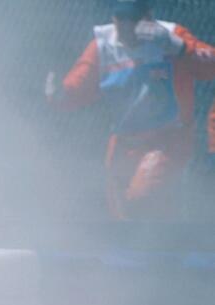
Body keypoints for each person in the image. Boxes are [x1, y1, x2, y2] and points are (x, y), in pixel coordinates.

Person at [46, 0, 215, 220]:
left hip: (168, 139)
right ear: (114, 19)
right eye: (121, 20)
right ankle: (158, 243)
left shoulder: (171, 36)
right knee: (120, 211)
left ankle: (168, 240)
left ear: (148, 18)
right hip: (124, 141)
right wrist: (59, 94)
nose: (127, 27)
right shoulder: (103, 45)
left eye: (134, 20)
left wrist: (181, 48)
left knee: (142, 198)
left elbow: (210, 64)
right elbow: (79, 86)